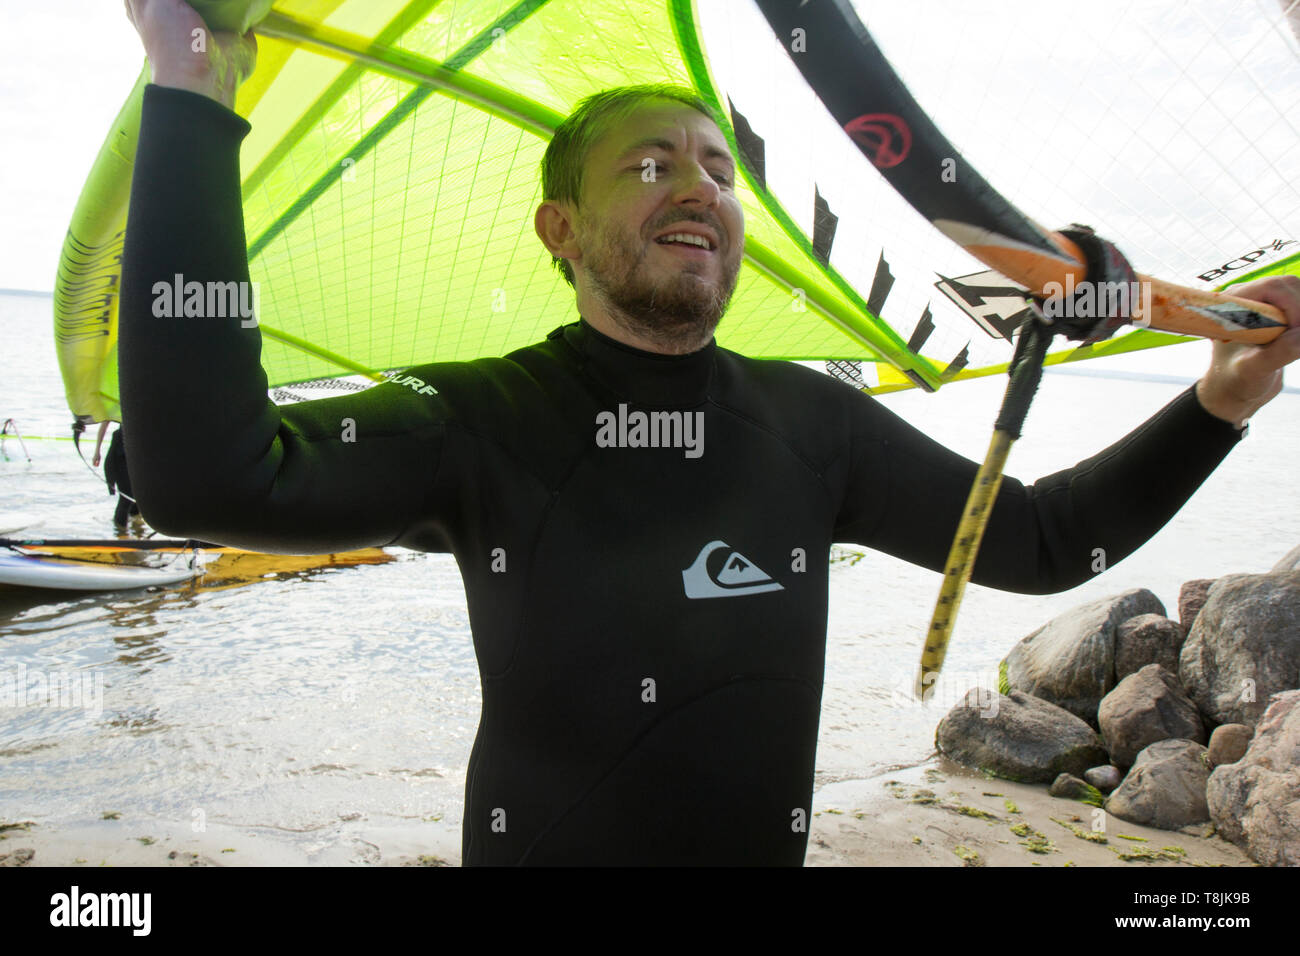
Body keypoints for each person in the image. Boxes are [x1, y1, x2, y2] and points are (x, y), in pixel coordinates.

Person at [120, 1, 1300, 865]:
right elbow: (203, 472)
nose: (697, 186)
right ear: (560, 228)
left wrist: (1225, 398)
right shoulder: (479, 421)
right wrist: (190, 85)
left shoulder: (815, 425)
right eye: (648, 163)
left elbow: (1044, 540)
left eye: (718, 167)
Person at [93, 421, 142, 530]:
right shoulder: (121, 406)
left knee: (140, 498)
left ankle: (138, 532)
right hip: (120, 455)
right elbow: (105, 422)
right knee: (126, 497)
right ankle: (121, 534)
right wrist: (97, 451)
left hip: (138, 456)